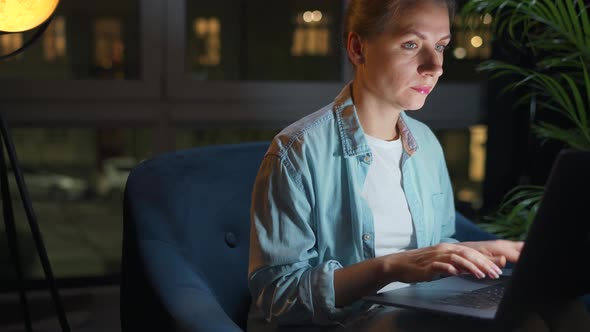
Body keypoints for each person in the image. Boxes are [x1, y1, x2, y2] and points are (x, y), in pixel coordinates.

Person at [248, 0, 524, 330]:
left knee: (554, 313)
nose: (434, 66)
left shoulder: (426, 145)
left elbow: (426, 255)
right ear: (358, 48)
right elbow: (277, 296)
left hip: (420, 312)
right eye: (411, 44)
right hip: (349, 323)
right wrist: (388, 267)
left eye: (440, 46)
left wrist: (475, 251)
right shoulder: (296, 151)